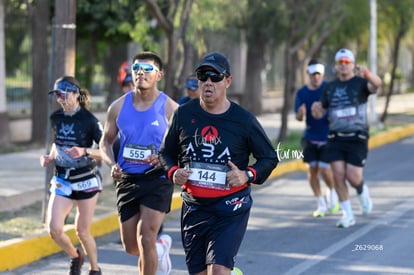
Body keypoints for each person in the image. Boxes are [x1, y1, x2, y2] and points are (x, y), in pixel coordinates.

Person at [159, 52, 278, 275]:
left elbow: (269, 158)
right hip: (194, 206)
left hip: (230, 206)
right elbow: (165, 154)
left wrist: (247, 174)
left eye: (215, 76)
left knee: (218, 271)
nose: (208, 82)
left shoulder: (243, 120)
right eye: (203, 76)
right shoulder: (183, 115)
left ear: (228, 81)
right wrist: (173, 172)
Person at [99, 51, 178, 274]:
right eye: (136, 69)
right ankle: (161, 249)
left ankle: (155, 248)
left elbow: (185, 144)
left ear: (159, 74)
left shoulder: (170, 108)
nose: (140, 73)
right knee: (132, 247)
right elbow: (105, 142)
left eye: (147, 69)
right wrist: (111, 164)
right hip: (127, 180)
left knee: (146, 238)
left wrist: (165, 159)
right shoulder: (117, 107)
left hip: (157, 179)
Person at [311, 48, 382, 228]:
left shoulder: (360, 83)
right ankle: (347, 214)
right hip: (336, 138)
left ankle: (361, 189)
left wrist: (366, 72)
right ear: (336, 66)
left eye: (347, 62)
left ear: (352, 65)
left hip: (357, 136)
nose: (343, 65)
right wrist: (315, 110)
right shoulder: (330, 87)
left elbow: (377, 84)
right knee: (338, 175)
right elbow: (322, 111)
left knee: (353, 176)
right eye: (340, 62)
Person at [39, 76, 103, 275]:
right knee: (54, 229)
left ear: (76, 94)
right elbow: (57, 142)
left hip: (86, 180)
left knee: (82, 231)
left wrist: (85, 151)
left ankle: (95, 269)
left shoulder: (90, 120)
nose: (60, 99)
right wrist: (50, 156)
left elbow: (106, 151)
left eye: (64, 94)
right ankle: (76, 256)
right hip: (62, 179)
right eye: (57, 95)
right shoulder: (55, 117)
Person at [294, 59, 339, 217]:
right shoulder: (302, 93)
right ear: (308, 74)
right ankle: (321, 204)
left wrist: (326, 114)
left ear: (322, 74)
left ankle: (333, 193)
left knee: (326, 170)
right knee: (312, 171)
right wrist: (300, 113)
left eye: (318, 74)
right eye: (313, 74)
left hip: (328, 137)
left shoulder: (329, 89)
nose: (316, 77)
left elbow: (338, 109)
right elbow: (298, 117)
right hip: (310, 137)